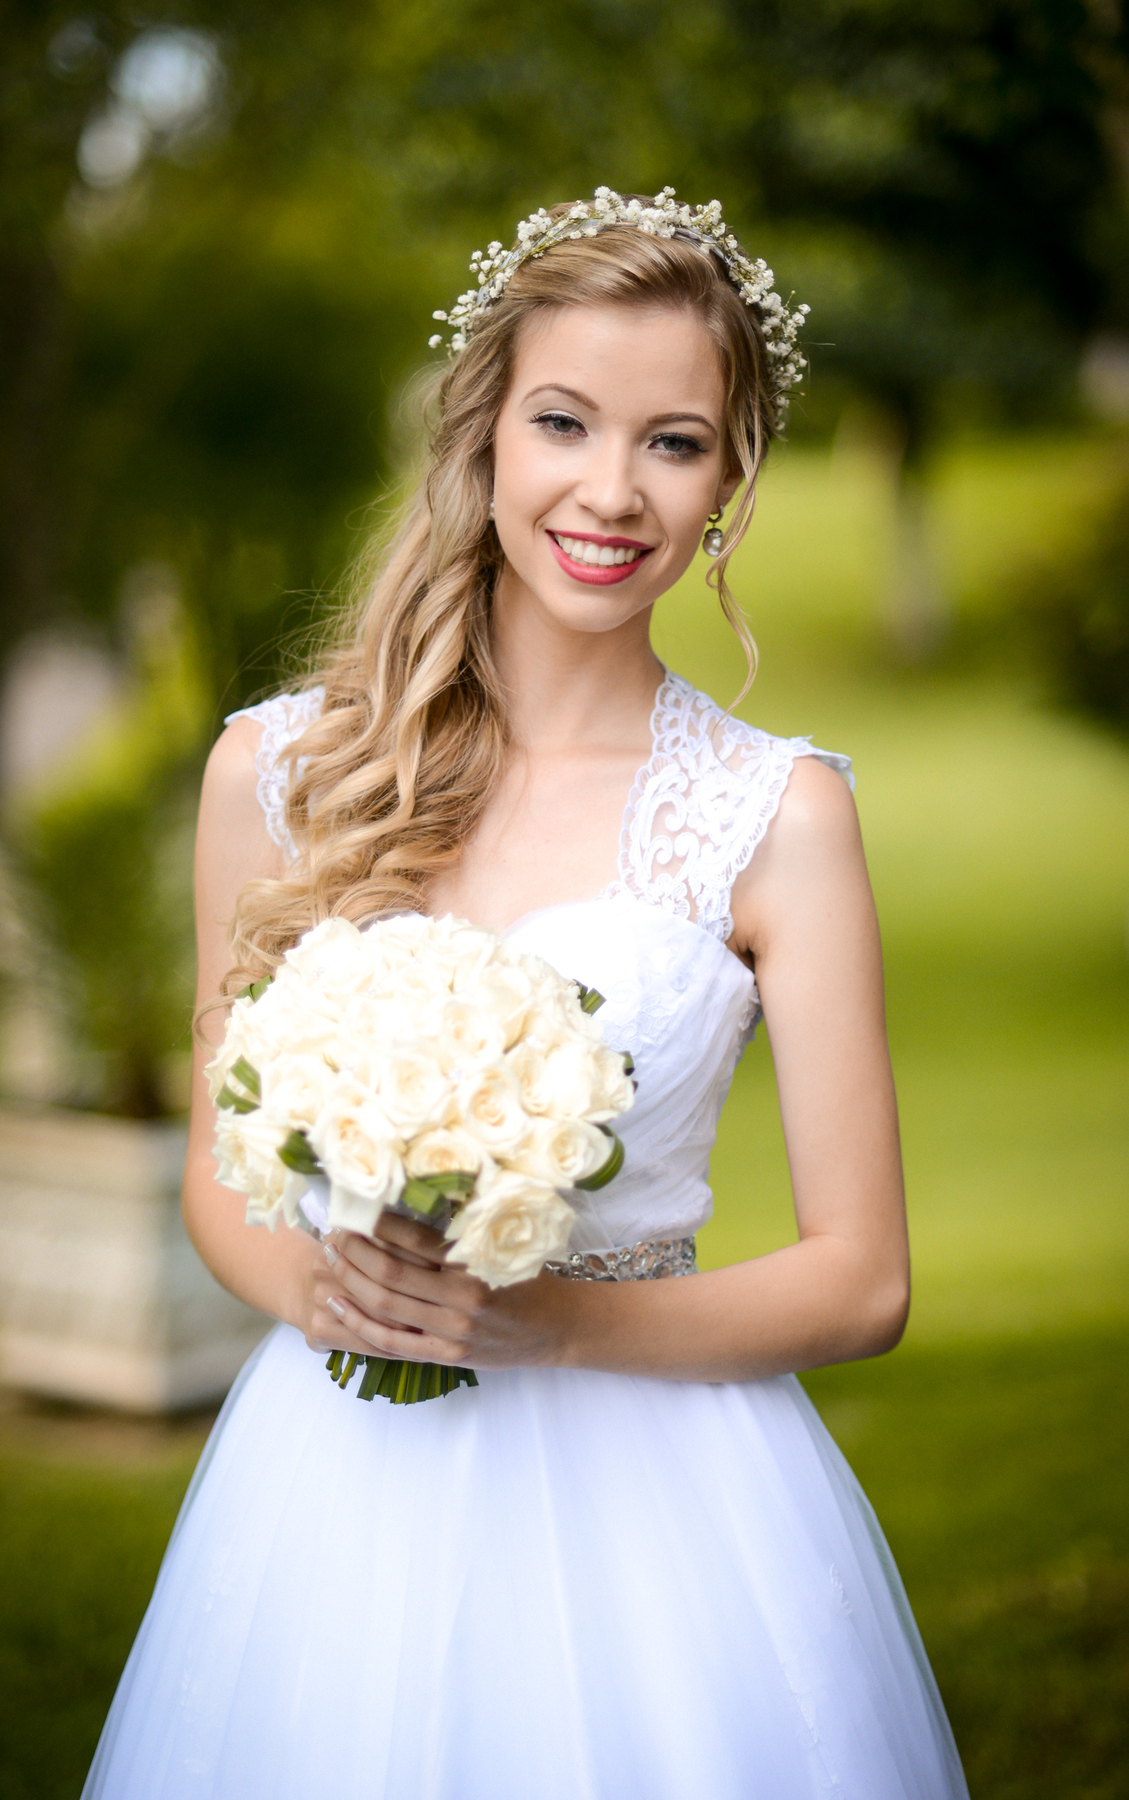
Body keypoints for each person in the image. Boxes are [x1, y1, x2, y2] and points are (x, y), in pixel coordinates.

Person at [84, 189, 969, 1799]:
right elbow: (230, 1182)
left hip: (676, 1498)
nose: (611, 492)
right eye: (564, 421)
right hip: (337, 1485)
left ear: (730, 482)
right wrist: (333, 1306)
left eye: (676, 442)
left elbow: (862, 1281)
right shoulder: (280, 775)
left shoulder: (781, 817)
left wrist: (535, 1323)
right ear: (485, 430)